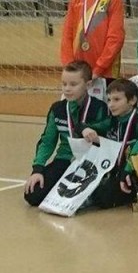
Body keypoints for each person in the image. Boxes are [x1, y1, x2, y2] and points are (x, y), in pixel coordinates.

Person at [23, 61, 109, 207]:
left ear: (88, 85)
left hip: (90, 162)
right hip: (64, 159)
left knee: (103, 197)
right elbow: (47, 141)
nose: (67, 89)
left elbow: (107, 133)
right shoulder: (57, 109)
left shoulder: (99, 108)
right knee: (32, 195)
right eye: (64, 84)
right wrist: (37, 170)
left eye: (73, 84)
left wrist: (88, 130)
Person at [82, 79, 138, 209]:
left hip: (135, 171)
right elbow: (83, 126)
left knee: (105, 197)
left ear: (132, 100)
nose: (111, 105)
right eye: (109, 100)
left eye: (117, 100)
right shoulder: (112, 120)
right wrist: (85, 129)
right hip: (116, 170)